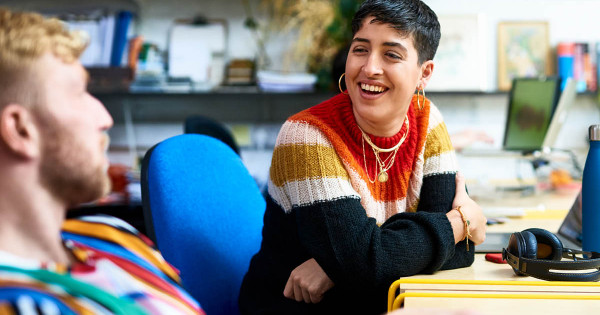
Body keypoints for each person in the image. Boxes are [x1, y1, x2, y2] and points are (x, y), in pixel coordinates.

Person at [238, 0, 487, 314]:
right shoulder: (307, 136)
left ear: (424, 73)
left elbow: (460, 255)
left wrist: (346, 263)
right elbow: (366, 266)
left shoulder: (427, 120)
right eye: (360, 49)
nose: (370, 68)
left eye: (391, 54)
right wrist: (460, 223)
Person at [0, 8, 203, 314]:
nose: (105, 118)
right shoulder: (20, 303)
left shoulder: (112, 234)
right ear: (20, 129)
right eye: (80, 93)